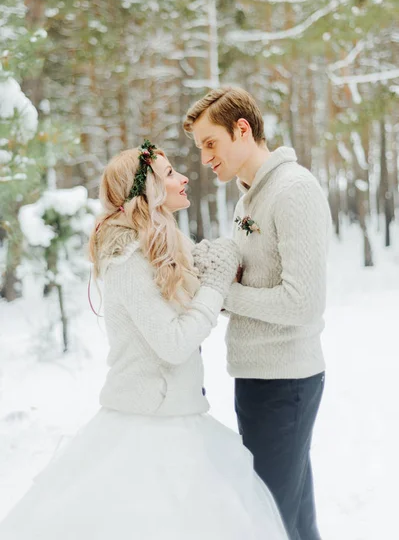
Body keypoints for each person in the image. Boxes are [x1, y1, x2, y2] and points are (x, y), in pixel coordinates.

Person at [0, 141, 288, 540]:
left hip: (183, 419)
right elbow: (173, 342)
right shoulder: (126, 260)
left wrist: (209, 265)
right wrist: (216, 285)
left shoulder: (164, 244)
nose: (184, 177)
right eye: (169, 173)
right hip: (145, 431)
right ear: (148, 192)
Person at [184, 87, 332, 540]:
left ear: (242, 129)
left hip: (284, 383)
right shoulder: (247, 199)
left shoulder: (293, 189)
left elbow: (303, 303)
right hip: (260, 379)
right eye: (200, 148)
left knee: (268, 520)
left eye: (211, 143)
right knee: (292, 518)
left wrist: (222, 294)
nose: (206, 157)